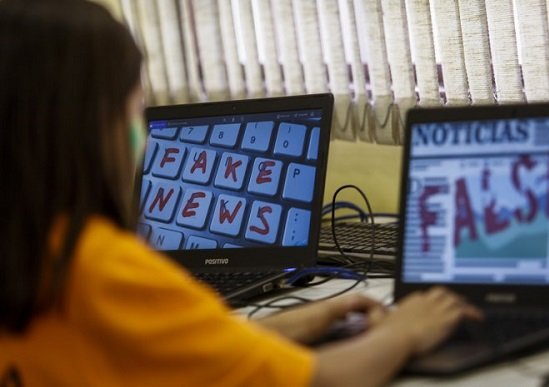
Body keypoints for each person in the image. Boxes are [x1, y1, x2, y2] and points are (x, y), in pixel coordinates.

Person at [0, 1, 481, 386]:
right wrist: (405, 331)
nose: (139, 134)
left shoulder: (29, 254)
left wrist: (299, 322)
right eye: (134, 108)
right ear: (90, 125)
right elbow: (327, 378)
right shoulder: (101, 270)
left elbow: (176, 347)